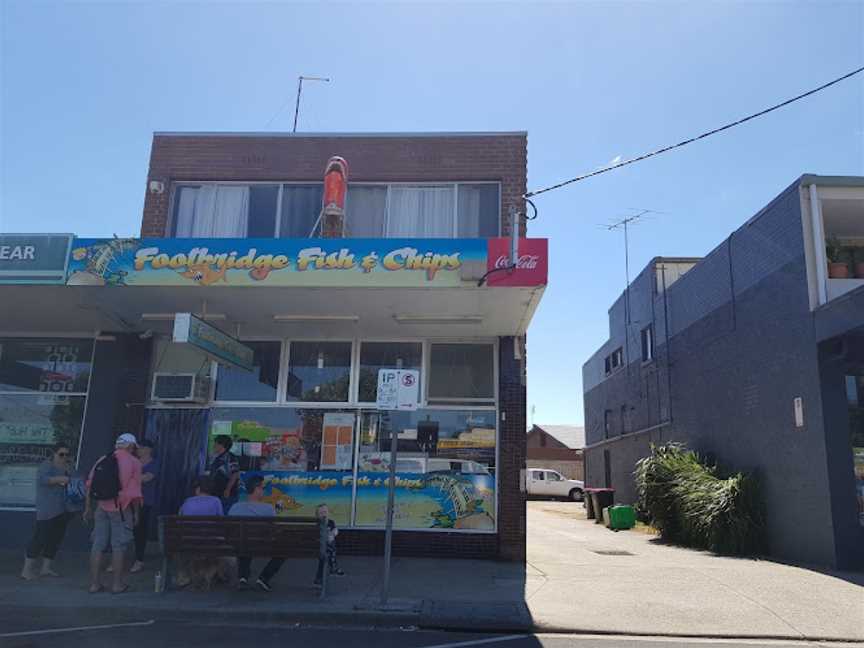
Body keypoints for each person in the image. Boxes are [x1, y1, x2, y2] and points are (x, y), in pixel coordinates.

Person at [84, 433, 142, 594]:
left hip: (101, 507)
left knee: (97, 545)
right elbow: (135, 493)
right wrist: (136, 513)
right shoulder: (134, 462)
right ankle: (117, 584)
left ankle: (94, 584)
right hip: (122, 509)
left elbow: (90, 484)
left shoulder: (102, 459)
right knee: (119, 547)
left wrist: (88, 507)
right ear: (130, 446)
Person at [21, 444, 73, 580]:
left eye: (67, 454)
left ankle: (46, 568)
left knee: (54, 540)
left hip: (63, 510)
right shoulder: (46, 465)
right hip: (47, 511)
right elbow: (42, 480)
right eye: (61, 454)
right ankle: (26, 571)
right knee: (39, 539)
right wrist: (60, 479)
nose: (64, 457)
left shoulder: (67, 467)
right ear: (54, 454)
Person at [228, 475, 283, 592]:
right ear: (257, 489)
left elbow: (229, 528)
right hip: (262, 546)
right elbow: (273, 529)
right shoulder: (268, 509)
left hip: (239, 545)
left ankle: (243, 578)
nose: (264, 491)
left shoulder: (235, 507)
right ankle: (264, 578)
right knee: (284, 549)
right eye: (263, 488)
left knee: (244, 540)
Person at [131, 441, 159, 574]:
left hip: (145, 502)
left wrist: (129, 477)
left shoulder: (154, 464)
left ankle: (139, 560)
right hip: (128, 500)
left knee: (140, 531)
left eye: (140, 447)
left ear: (148, 449)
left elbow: (146, 478)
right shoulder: (133, 461)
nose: (137, 450)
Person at [313, 503, 344, 587]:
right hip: (319, 547)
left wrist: (332, 534)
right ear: (317, 515)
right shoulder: (317, 524)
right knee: (326, 553)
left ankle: (318, 579)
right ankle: (333, 567)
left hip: (326, 547)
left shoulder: (331, 522)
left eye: (325, 512)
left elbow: (335, 530)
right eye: (321, 513)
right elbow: (317, 537)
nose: (324, 514)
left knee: (324, 558)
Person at [210, 435, 240, 513]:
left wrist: (228, 489)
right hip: (217, 493)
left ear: (222, 445)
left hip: (227, 495)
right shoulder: (217, 457)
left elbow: (235, 474)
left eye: (216, 443)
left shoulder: (230, 457)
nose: (214, 446)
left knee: (225, 519)